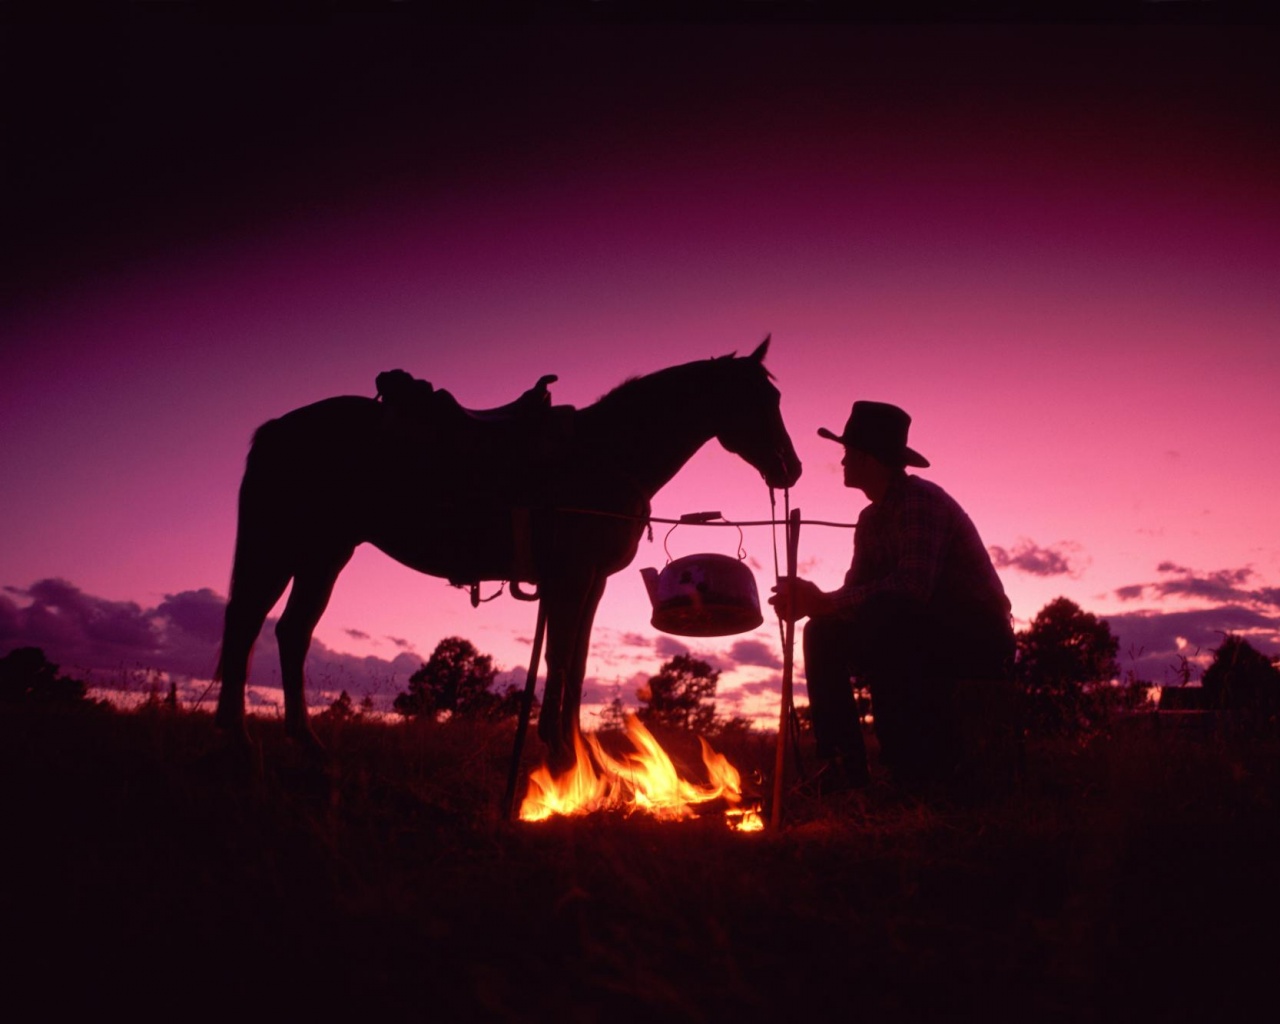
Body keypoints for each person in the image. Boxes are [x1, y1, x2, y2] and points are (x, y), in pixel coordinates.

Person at [771, 401, 1014, 792]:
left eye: (848, 453)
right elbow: (854, 595)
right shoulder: (870, 520)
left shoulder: (921, 501)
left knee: (889, 615)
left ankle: (912, 766)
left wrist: (825, 601)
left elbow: (912, 588)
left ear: (867, 459)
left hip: (977, 633)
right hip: (917, 627)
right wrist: (811, 604)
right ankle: (842, 766)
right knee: (822, 632)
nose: (844, 462)